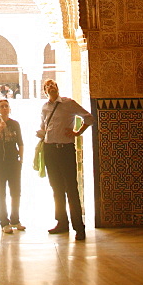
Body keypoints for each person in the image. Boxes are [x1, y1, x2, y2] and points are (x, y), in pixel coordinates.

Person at [37, 79, 93, 240]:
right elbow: (43, 126)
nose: (50, 87)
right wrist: (41, 134)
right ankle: (62, 222)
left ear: (57, 87)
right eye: (47, 86)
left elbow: (88, 118)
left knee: (71, 188)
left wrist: (77, 132)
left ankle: (79, 227)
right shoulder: (45, 107)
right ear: (45, 91)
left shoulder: (68, 103)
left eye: (53, 84)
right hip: (50, 150)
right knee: (57, 189)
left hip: (65, 150)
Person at [0, 98, 24, 233]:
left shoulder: (15, 124)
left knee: (15, 192)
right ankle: (4, 222)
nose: (4, 108)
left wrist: (21, 158)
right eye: (2, 106)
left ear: (10, 109)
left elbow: (20, 141)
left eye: (6, 106)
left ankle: (15, 219)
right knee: (1, 193)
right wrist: (0, 128)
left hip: (13, 162)